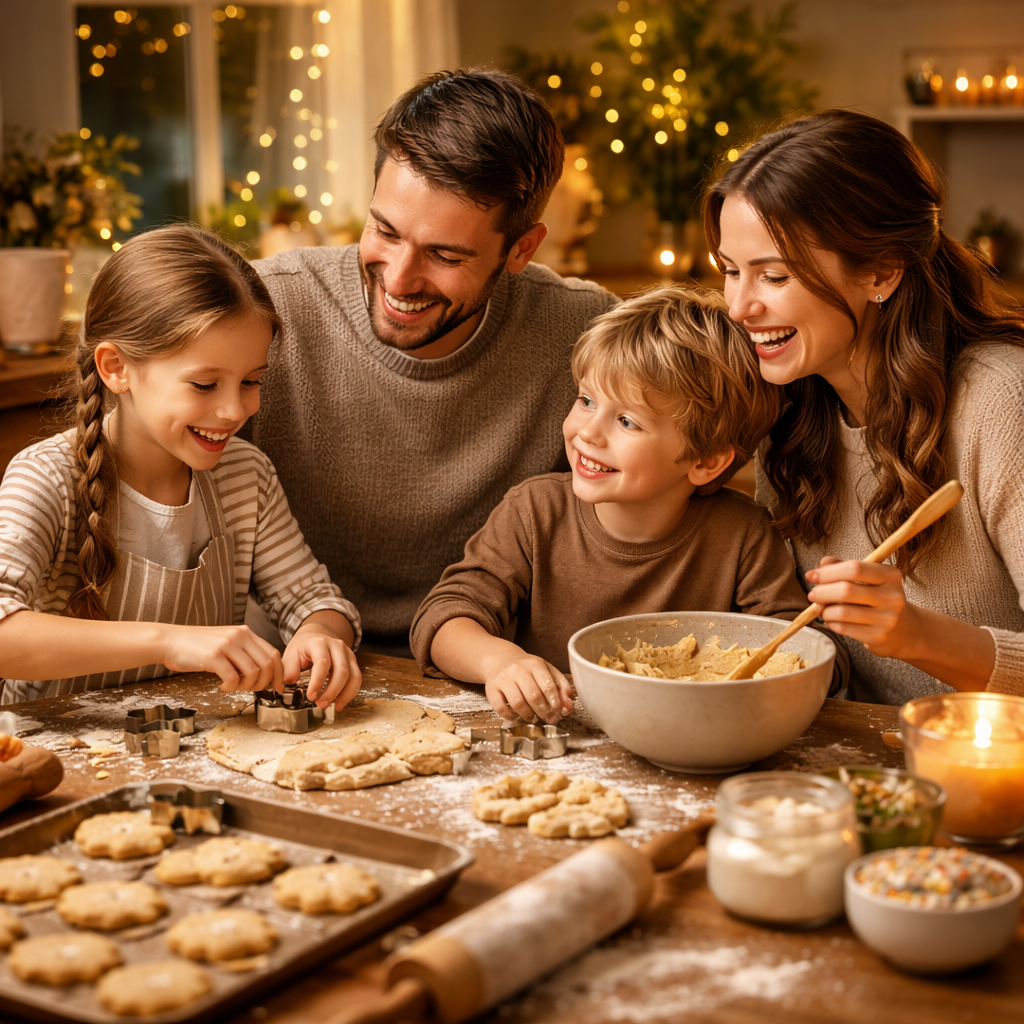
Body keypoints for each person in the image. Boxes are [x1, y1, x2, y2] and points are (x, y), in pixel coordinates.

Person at [247, 69, 617, 656]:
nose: (399, 278)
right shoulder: (265, 308)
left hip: (494, 676)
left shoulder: (584, 333)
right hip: (289, 665)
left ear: (521, 248)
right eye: (384, 230)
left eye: (445, 254)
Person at [706, 108, 1024, 704]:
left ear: (880, 270)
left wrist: (915, 633)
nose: (739, 307)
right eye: (729, 271)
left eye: (773, 277)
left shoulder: (1002, 403)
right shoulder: (793, 410)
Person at [411, 286, 823, 723]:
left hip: (691, 737)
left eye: (627, 421)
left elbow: (800, 651)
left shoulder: (743, 534)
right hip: (563, 739)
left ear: (705, 461)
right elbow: (442, 620)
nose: (588, 432)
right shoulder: (534, 511)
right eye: (586, 400)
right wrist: (498, 661)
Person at [0, 225, 361, 706]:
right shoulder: (46, 479)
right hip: (60, 756)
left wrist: (321, 635)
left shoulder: (244, 476)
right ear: (116, 368)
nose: (235, 410)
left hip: (195, 748)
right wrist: (171, 642)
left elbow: (315, 599)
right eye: (205, 385)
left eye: (251, 381)